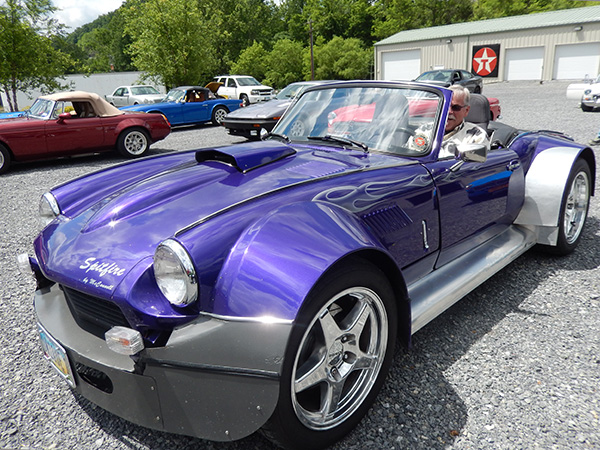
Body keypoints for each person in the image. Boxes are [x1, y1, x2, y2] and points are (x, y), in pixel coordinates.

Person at [438, 85, 490, 158]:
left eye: (455, 107)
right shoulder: (427, 130)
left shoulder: (476, 136)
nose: (449, 111)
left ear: (466, 110)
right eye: (445, 106)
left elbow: (475, 166)